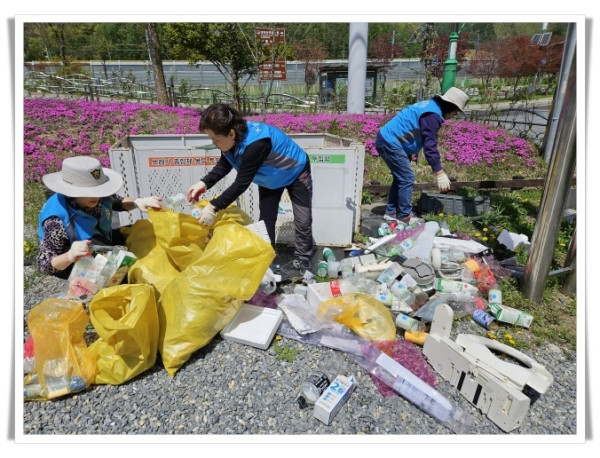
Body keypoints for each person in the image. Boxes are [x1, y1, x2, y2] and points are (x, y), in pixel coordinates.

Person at [187, 103, 314, 271]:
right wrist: (203, 183)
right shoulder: (231, 140)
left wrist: (213, 207)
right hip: (270, 179)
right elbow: (225, 165)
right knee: (266, 219)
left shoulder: (256, 144)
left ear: (231, 133)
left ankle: (302, 260)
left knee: (303, 220)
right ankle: (267, 258)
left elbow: (241, 183)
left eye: (216, 139)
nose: (214, 143)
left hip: (296, 171)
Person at [37, 156, 163, 278]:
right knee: (118, 270)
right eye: (90, 192)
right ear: (72, 192)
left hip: (99, 238)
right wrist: (70, 255)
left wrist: (138, 202)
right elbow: (44, 265)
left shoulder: (100, 197)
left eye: (99, 191)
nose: (97, 197)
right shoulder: (55, 220)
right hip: (74, 258)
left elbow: (118, 202)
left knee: (138, 231)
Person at [375, 86, 469, 224]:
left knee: (401, 178)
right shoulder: (432, 115)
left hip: (389, 140)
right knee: (407, 178)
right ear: (450, 106)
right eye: (456, 111)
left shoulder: (430, 106)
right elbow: (430, 147)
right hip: (390, 142)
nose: (455, 115)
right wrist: (439, 173)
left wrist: (406, 151)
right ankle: (404, 216)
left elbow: (409, 128)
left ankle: (392, 212)